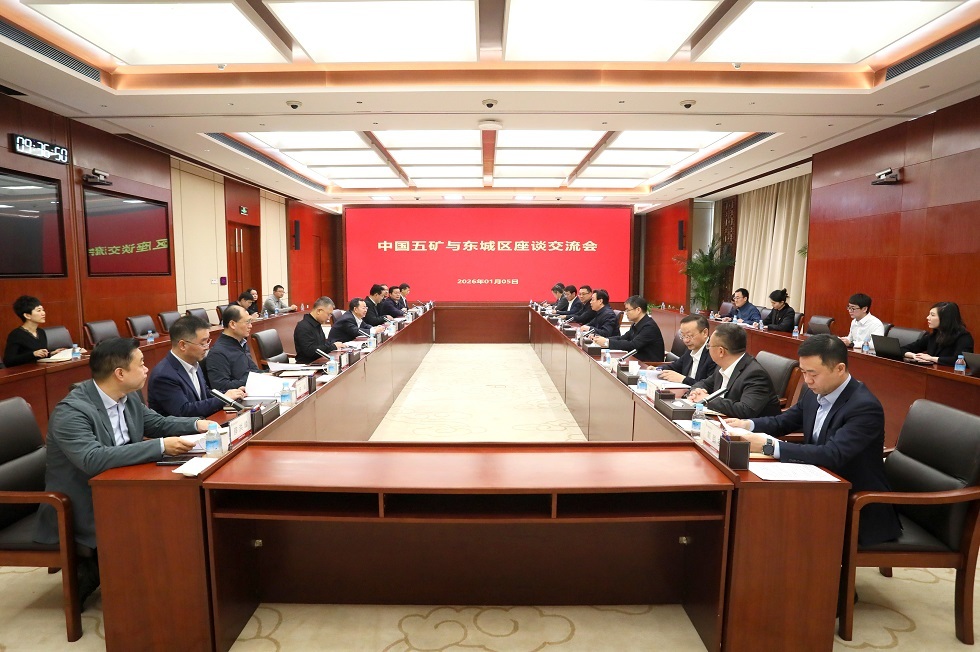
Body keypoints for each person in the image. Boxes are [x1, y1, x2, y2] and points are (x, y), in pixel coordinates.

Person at [34, 337, 212, 606]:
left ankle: (175, 582)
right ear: (120, 373)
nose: (147, 369)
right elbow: (92, 459)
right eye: (141, 364)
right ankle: (126, 583)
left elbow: (157, 423)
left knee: (181, 505)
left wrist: (198, 425)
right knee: (164, 515)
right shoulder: (72, 412)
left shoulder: (127, 396)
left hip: (121, 485)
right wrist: (161, 446)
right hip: (80, 503)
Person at [729, 335, 901, 546]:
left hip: (856, 505)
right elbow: (783, 422)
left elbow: (833, 454)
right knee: (759, 511)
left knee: (774, 520)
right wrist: (746, 425)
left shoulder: (864, 407)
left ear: (839, 369)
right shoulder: (814, 393)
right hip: (819, 486)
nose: (807, 380)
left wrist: (769, 446)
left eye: (813, 374)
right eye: (803, 372)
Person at [148, 316, 246, 417]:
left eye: (208, 341)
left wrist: (231, 393)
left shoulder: (194, 362)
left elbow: (205, 393)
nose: (207, 347)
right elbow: (184, 411)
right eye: (203, 343)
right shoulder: (164, 376)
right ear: (182, 345)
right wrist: (224, 398)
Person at [687, 323, 781, 418]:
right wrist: (696, 391)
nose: (708, 349)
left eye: (709, 346)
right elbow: (705, 383)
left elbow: (745, 410)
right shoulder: (723, 366)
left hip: (747, 425)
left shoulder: (755, 375)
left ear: (721, 351)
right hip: (722, 419)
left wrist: (708, 399)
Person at [592, 295, 665, 362]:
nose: (626, 313)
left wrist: (607, 342)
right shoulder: (637, 323)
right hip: (637, 361)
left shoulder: (649, 326)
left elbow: (633, 345)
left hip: (649, 365)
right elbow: (623, 338)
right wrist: (602, 339)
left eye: (628, 310)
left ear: (638, 310)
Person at [206, 305, 261, 391]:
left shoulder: (242, 343)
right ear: (232, 324)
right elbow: (221, 387)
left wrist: (270, 374)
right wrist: (254, 378)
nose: (250, 326)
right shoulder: (218, 353)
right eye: (247, 322)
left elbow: (253, 370)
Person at [902, 301, 974, 366]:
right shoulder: (934, 335)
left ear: (945, 318)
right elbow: (903, 349)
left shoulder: (963, 337)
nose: (928, 317)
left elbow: (960, 360)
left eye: (932, 315)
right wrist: (914, 356)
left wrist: (932, 358)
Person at [4, 295, 66, 366]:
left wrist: (51, 353)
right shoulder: (16, 335)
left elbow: (40, 355)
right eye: (39, 310)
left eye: (43, 310)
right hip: (26, 371)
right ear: (27, 315)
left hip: (41, 368)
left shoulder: (41, 332)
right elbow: (8, 361)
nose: (43, 313)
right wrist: (33, 354)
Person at [657, 314, 718, 385]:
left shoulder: (714, 353)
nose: (686, 340)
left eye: (689, 336)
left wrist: (683, 379)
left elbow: (709, 386)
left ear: (705, 333)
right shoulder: (690, 349)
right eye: (683, 336)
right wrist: (657, 369)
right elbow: (674, 366)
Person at [294, 296, 337, 363]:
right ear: (319, 311)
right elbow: (311, 351)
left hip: (319, 361)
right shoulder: (303, 327)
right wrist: (333, 347)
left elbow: (321, 344)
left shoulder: (317, 324)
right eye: (328, 314)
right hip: (308, 365)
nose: (329, 318)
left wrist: (333, 345)